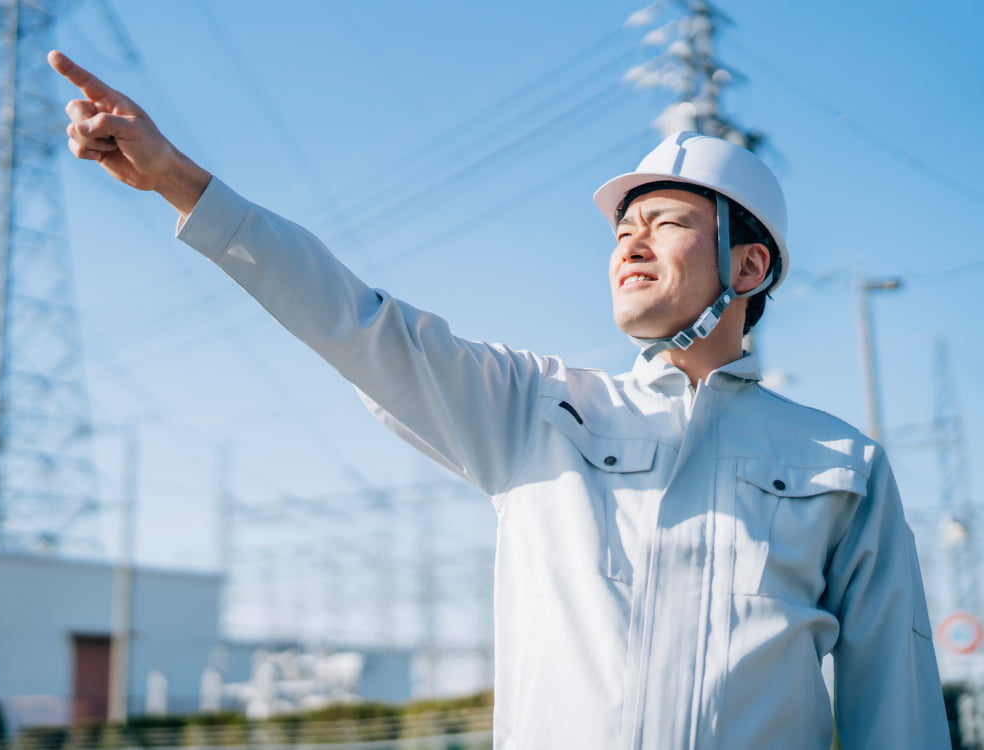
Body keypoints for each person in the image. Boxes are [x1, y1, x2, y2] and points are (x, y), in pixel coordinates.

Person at [48, 50, 950, 749]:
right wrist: (175, 178)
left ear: (748, 266)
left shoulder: (840, 465)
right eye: (622, 228)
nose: (631, 242)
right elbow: (354, 320)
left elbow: (897, 706)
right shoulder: (535, 407)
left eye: (667, 221)